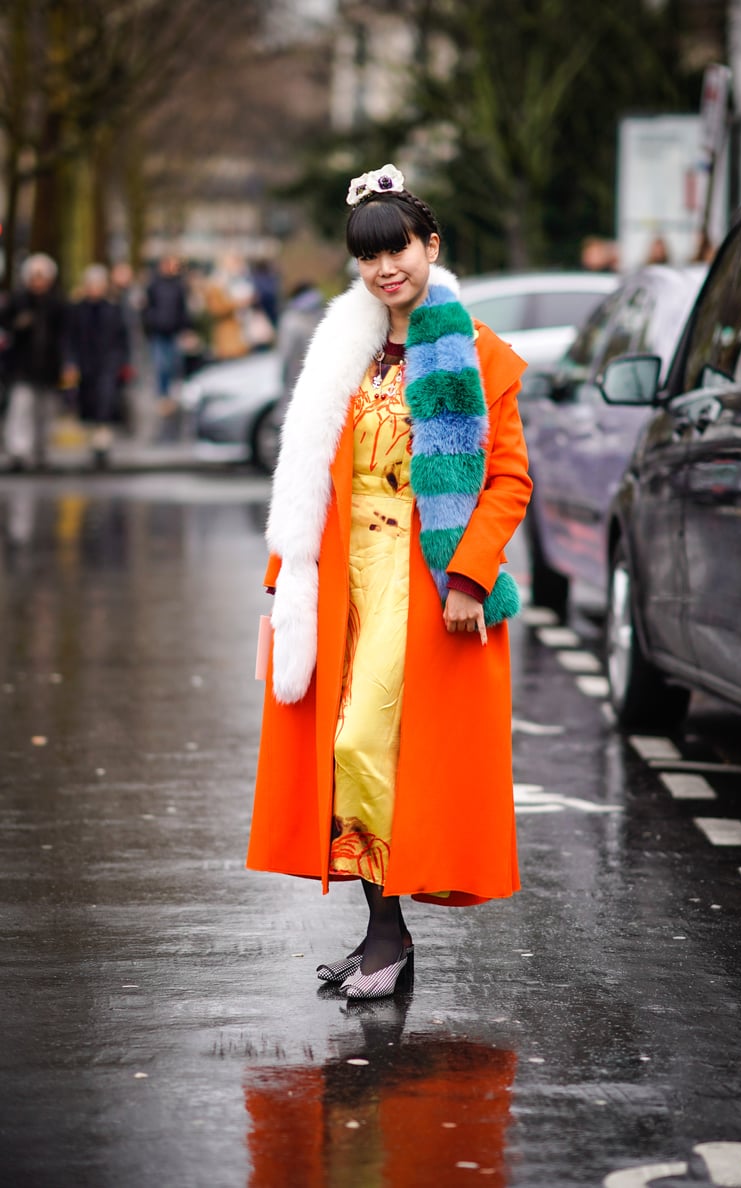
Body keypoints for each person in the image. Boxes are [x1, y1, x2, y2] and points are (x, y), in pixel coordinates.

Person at [247, 164, 533, 1000]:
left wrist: (470, 576)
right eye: (367, 257)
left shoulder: (478, 354)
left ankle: (389, 932)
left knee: (360, 742)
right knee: (346, 755)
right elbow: (311, 476)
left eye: (397, 248)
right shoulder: (346, 349)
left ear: (429, 246)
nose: (384, 269)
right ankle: (384, 935)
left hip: (423, 576)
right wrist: (283, 577)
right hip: (345, 577)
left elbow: (509, 483)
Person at [1, 253, 67, 471]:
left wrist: (66, 363)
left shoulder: (56, 303)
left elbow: (64, 336)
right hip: (22, 367)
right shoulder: (18, 300)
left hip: (48, 367)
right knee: (21, 408)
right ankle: (18, 452)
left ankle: (40, 452)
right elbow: (7, 328)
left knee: (44, 412)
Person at [65, 264, 130, 468]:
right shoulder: (77, 310)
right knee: (90, 405)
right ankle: (95, 444)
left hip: (107, 365)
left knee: (105, 405)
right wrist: (71, 362)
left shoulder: (112, 309)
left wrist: (122, 362)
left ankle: (102, 447)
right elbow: (70, 338)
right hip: (86, 365)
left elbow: (122, 338)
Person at [141, 255, 188, 404]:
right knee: (160, 364)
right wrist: (150, 324)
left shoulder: (179, 285)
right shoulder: (154, 285)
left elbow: (182, 309)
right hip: (158, 330)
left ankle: (171, 393)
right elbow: (147, 308)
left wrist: (186, 329)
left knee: (174, 364)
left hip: (174, 331)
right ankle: (162, 394)